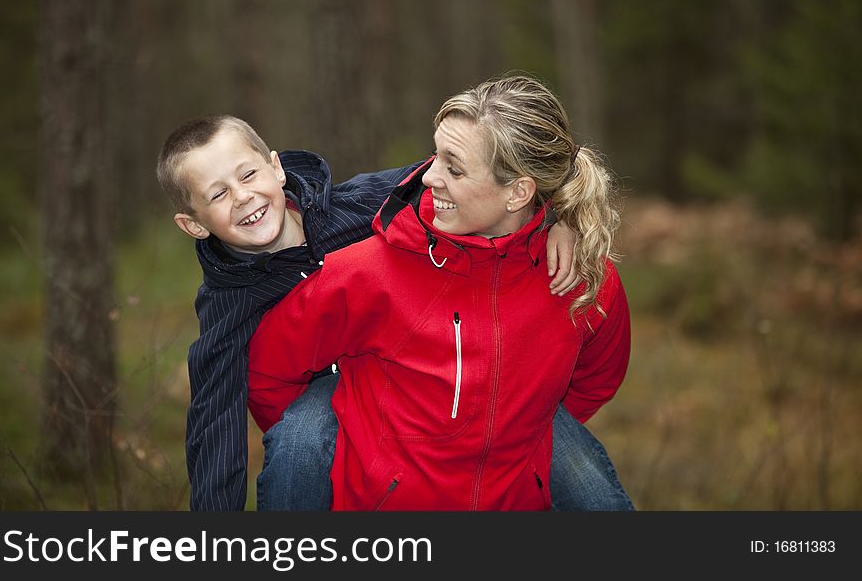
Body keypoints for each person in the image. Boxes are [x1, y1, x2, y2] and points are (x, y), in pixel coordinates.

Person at [155, 114, 583, 510]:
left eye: (247, 175)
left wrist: (557, 216)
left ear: (276, 168)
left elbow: (480, 175)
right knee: (299, 440)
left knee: (560, 447)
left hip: (417, 366)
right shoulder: (228, 305)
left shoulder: (356, 206)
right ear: (193, 224)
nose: (243, 197)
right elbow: (215, 432)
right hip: (325, 391)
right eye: (217, 194)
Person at [247, 75, 632, 510]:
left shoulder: (580, 277)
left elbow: (595, 379)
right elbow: (270, 373)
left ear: (518, 192)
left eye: (455, 166)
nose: (429, 177)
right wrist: (352, 463)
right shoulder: (365, 272)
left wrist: (527, 456)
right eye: (436, 156)